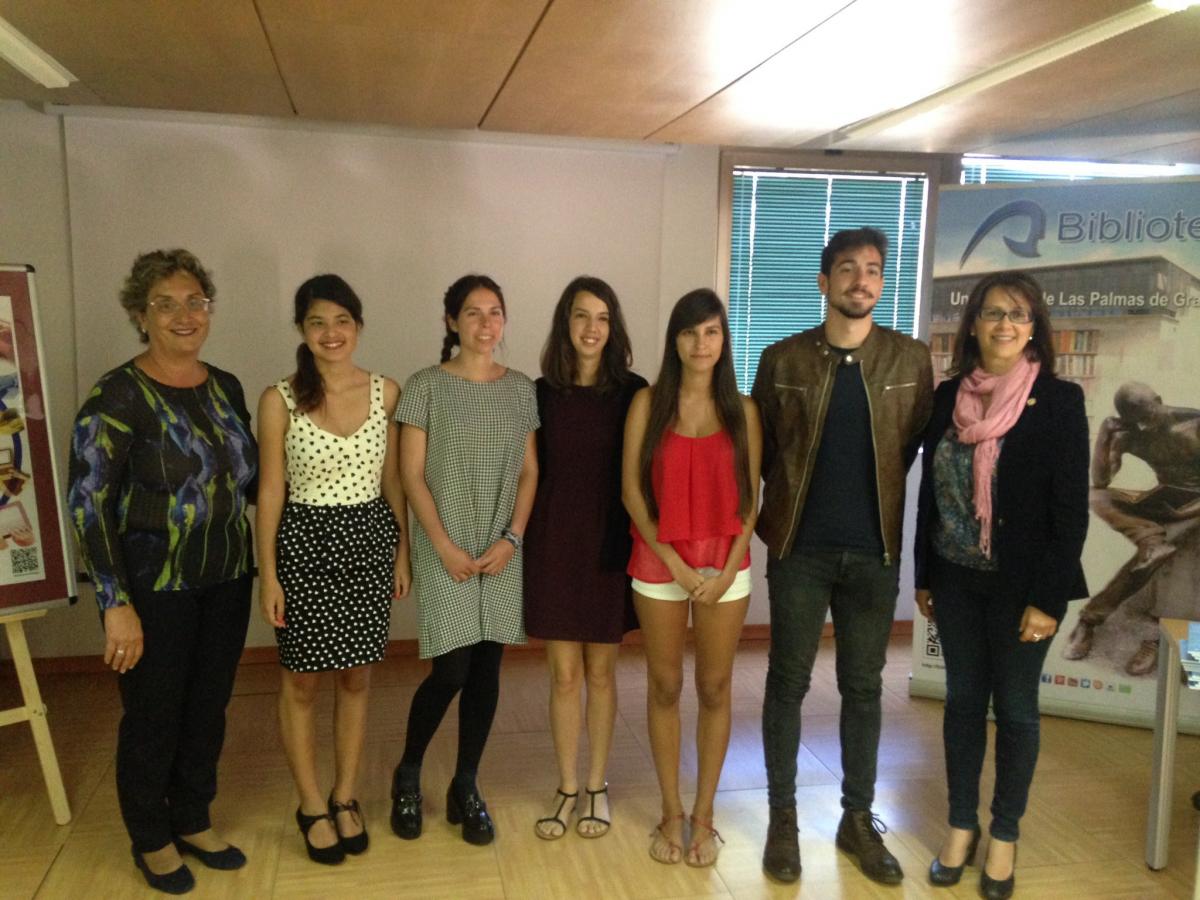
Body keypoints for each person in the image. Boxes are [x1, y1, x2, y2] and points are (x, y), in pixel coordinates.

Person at [68, 249, 258, 894]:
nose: (184, 315)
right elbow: (87, 502)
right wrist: (114, 603)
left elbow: (249, 481)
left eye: (195, 301)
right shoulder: (117, 393)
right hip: (155, 588)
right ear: (139, 314)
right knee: (154, 713)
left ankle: (194, 816)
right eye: (166, 303)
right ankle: (150, 836)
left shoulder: (225, 386)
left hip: (228, 576)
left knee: (208, 707)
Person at [753, 227, 933, 885]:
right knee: (787, 683)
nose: (862, 279)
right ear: (824, 281)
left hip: (873, 554)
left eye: (874, 269)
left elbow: (910, 447)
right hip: (800, 550)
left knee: (864, 687)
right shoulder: (782, 360)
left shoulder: (911, 362)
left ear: (882, 283)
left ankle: (857, 820)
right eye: (848, 269)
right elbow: (765, 447)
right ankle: (782, 820)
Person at [914, 270, 1089, 899]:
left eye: (1018, 314)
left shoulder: (1060, 402)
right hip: (956, 577)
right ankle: (961, 825)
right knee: (962, 703)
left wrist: (1048, 599)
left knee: (1014, 709)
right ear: (974, 324)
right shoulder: (947, 397)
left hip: (1024, 590)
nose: (1005, 325)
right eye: (992, 313)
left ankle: (1004, 832)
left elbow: (1070, 511)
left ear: (1034, 325)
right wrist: (925, 573)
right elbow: (930, 496)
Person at [256, 275, 411, 865]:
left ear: (359, 326)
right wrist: (268, 574)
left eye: (342, 321)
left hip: (368, 540)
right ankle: (311, 803)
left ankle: (346, 795)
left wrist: (402, 552)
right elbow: (269, 491)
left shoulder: (386, 392)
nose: (331, 333)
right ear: (302, 329)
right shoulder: (280, 398)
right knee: (301, 681)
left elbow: (394, 481)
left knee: (356, 678)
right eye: (318, 322)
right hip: (303, 543)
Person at [389, 274, 538, 846]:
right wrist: (445, 546)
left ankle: (465, 783)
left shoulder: (520, 388)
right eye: (472, 313)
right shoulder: (425, 386)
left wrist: (512, 539)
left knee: (487, 670)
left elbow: (530, 472)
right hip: (442, 546)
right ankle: (407, 773)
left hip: (501, 548)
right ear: (451, 321)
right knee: (451, 668)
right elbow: (410, 475)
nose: (485, 324)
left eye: (495, 312)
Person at [621, 288, 761, 867]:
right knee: (663, 686)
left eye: (711, 332)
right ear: (674, 340)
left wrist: (727, 567)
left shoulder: (743, 410)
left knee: (714, 687)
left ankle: (704, 815)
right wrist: (676, 562)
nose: (700, 343)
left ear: (723, 341)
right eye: (689, 332)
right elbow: (631, 491)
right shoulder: (648, 403)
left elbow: (753, 497)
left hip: (726, 565)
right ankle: (670, 809)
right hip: (659, 561)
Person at [525, 276, 646, 840]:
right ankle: (567, 785)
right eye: (580, 316)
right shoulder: (538, 393)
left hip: (608, 545)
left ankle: (597, 786)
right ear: (564, 324)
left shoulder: (635, 392)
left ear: (613, 327)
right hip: (553, 544)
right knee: (563, 674)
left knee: (601, 672)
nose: (591, 328)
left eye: (601, 317)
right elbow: (525, 474)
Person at [1064, 382, 1200, 675]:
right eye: (1136, 421)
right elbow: (1101, 481)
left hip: (1197, 506)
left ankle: (1174, 650)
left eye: (1148, 417)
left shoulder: (1195, 423)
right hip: (1166, 503)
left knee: (1179, 559)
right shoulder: (1128, 433)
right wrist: (1104, 438)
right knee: (1093, 496)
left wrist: (1188, 511)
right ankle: (1150, 540)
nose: (1145, 427)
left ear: (1160, 401)